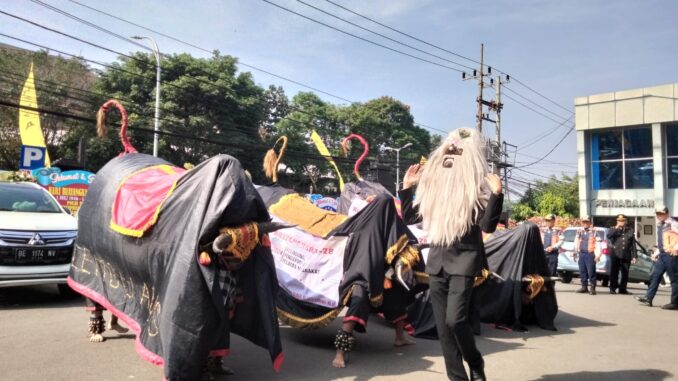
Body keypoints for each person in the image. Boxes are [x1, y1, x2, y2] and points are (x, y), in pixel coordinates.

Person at [401, 128, 503, 381]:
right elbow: (410, 217)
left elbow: (488, 226)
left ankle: (476, 362)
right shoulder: (434, 196)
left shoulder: (474, 193)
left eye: (458, 153)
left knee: (455, 321)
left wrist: (496, 195)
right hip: (436, 264)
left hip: (464, 263)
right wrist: (406, 188)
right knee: (444, 331)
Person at [635, 206, 678, 309]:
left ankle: (675, 303)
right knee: (655, 276)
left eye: (661, 214)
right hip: (663, 255)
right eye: (657, 214)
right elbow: (662, 242)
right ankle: (648, 298)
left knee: (675, 279)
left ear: (667, 213)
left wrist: (676, 248)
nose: (659, 216)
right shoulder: (661, 225)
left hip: (671, 255)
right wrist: (657, 252)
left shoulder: (673, 223)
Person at [607, 214, 638, 295]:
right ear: (617, 221)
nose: (621, 222)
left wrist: (634, 256)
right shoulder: (613, 229)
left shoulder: (629, 230)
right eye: (619, 221)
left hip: (626, 254)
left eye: (623, 221)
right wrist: (617, 227)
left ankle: (622, 289)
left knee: (625, 273)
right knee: (614, 272)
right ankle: (613, 288)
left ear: (626, 221)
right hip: (616, 254)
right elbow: (609, 236)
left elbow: (632, 244)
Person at [574, 216, 600, 295]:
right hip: (582, 254)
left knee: (591, 272)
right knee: (582, 271)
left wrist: (598, 255)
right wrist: (575, 252)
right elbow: (576, 241)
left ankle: (592, 288)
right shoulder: (579, 231)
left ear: (590, 223)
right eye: (584, 222)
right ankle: (584, 287)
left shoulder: (594, 231)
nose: (585, 223)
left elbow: (598, 244)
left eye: (587, 222)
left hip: (590, 254)